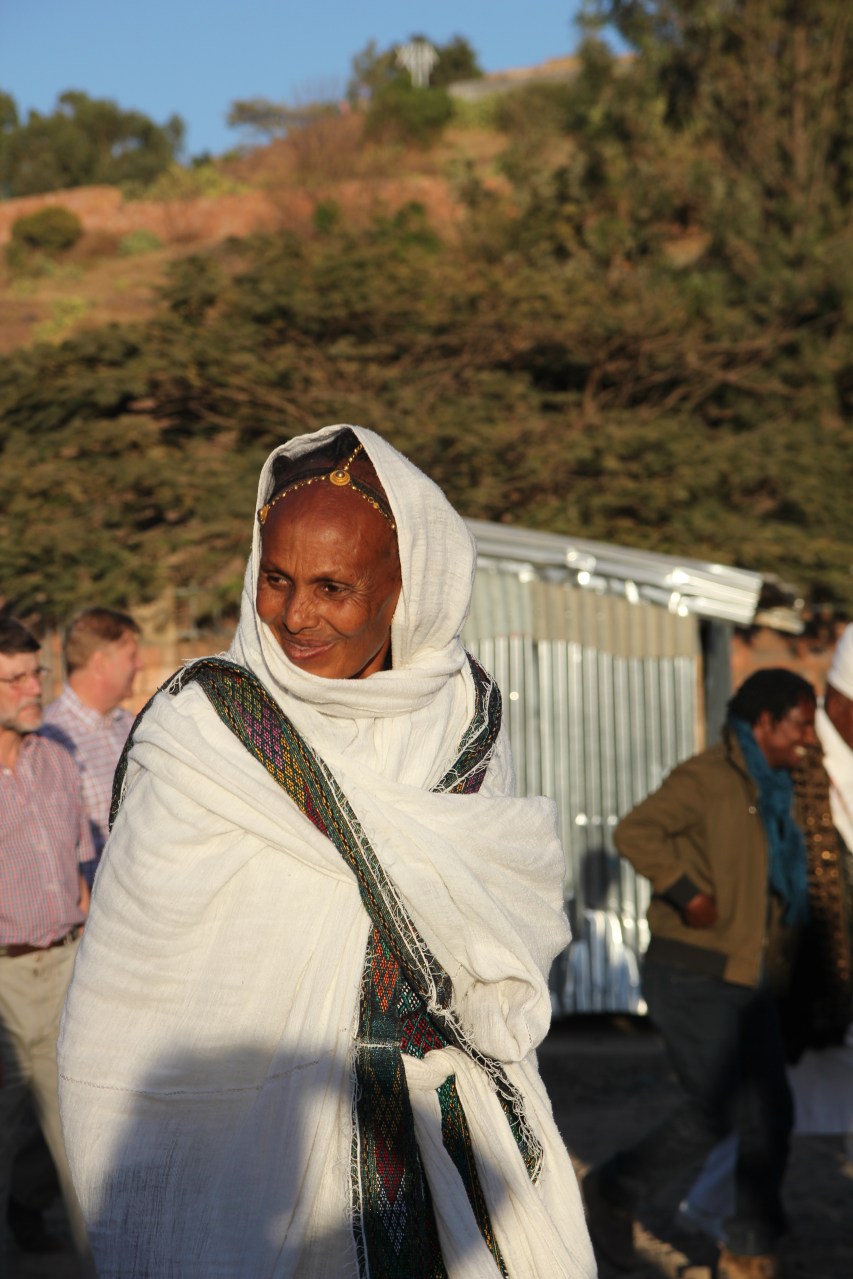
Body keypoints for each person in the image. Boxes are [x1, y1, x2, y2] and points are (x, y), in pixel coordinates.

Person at [57, 425, 596, 1278]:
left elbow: (502, 927)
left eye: (333, 587)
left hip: (440, 1148)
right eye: (276, 578)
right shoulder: (203, 735)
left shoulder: (461, 722)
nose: (295, 615)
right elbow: (133, 1002)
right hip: (246, 1164)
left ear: (410, 588)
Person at [582, 667, 818, 1279]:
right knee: (714, 1108)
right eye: (799, 724)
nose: (808, 738)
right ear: (764, 722)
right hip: (690, 969)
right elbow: (636, 831)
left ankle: (747, 1250)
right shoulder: (709, 776)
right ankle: (611, 1189)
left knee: (770, 1112)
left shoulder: (777, 789)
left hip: (747, 976)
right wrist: (687, 891)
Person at [680, 627, 853, 1240]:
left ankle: (711, 1209)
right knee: (765, 1103)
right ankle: (701, 1208)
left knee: (775, 1102)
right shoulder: (789, 753)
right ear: (841, 698)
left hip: (831, 972)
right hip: (795, 971)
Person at [0, 616, 96, 1279]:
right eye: (14, 679)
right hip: (3, 989)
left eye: (36, 673)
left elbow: (81, 873)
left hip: (66, 967)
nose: (35, 688)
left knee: (85, 1142)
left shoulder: (57, 758)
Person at [41, 606, 142, 881]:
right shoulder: (50, 738)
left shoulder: (132, 725)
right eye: (131, 656)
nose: (140, 665)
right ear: (100, 663)